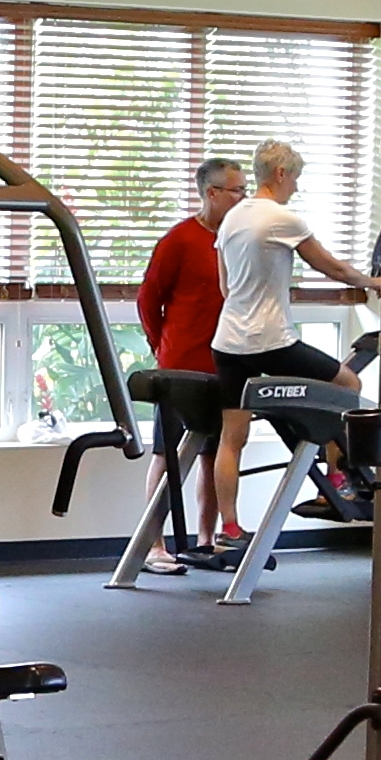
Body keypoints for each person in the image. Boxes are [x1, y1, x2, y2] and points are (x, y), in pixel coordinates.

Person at [203, 139, 370, 539]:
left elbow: (226, 287)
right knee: (348, 385)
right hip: (272, 341)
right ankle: (337, 482)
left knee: (232, 438)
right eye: (294, 178)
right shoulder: (282, 218)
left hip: (228, 341)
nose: (295, 187)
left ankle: (229, 527)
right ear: (281, 174)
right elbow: (335, 269)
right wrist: (376, 281)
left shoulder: (231, 219)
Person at [135, 156, 240, 553]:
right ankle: (154, 545)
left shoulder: (235, 239)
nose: (242, 197)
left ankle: (207, 540)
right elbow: (148, 299)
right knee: (169, 456)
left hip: (225, 361)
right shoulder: (179, 239)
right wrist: (160, 346)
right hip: (181, 366)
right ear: (211, 194)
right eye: (235, 190)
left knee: (216, 456)